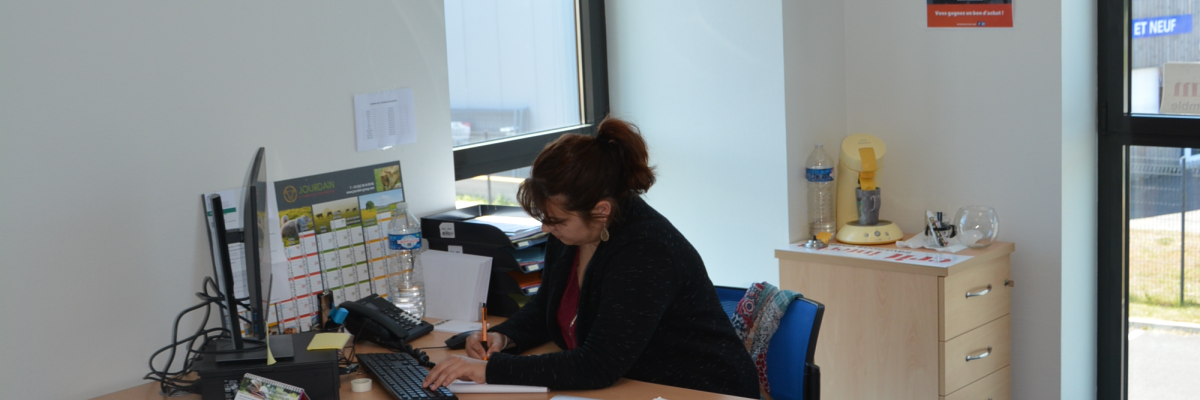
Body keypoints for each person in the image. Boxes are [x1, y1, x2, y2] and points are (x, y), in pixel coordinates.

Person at [422, 117, 760, 398]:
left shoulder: (645, 251)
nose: (546, 227)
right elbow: (545, 311)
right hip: (637, 386)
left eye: (556, 220)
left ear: (601, 211)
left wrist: (489, 370)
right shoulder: (571, 233)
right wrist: (503, 338)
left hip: (698, 389)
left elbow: (598, 364)